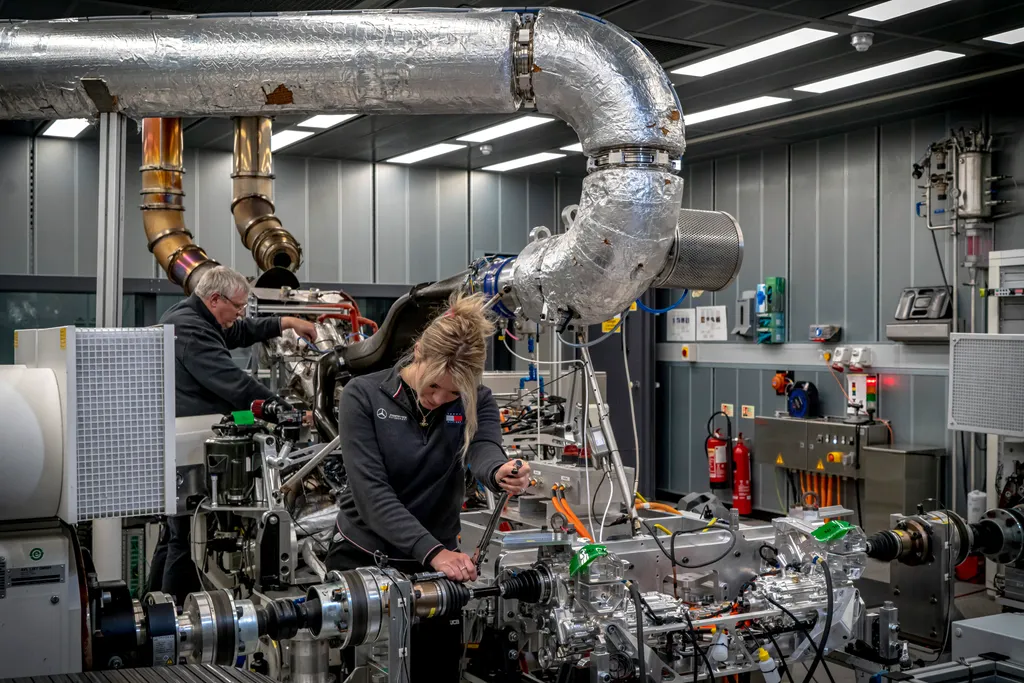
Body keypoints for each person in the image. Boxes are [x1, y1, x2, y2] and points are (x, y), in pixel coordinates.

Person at [329, 293, 531, 681]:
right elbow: (372, 495)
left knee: (435, 670)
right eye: (434, 386)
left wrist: (499, 471)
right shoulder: (363, 396)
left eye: (454, 394)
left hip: (438, 565)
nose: (439, 400)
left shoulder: (478, 400)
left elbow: (483, 447)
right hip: (366, 555)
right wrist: (434, 552)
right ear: (418, 353)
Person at [148, 265, 318, 604]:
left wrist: (285, 323)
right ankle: (173, 624)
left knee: (173, 535)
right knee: (187, 538)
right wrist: (291, 412)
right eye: (237, 307)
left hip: (184, 437)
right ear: (215, 299)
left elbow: (239, 332)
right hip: (190, 444)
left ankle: (153, 603)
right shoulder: (192, 331)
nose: (240, 314)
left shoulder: (191, 316)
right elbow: (238, 386)